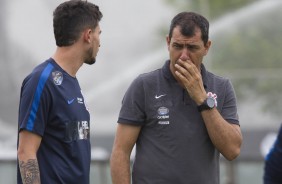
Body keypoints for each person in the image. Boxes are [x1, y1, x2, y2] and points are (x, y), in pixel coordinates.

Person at [110, 12, 242, 184]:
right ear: (168, 43)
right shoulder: (143, 86)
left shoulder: (222, 87)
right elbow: (120, 152)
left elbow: (232, 150)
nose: (184, 56)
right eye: (178, 46)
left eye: (192, 48)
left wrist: (202, 99)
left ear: (207, 47)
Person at [17, 1, 102, 184]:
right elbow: (26, 152)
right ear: (88, 35)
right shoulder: (41, 80)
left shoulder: (71, 83)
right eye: (98, 33)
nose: (100, 42)